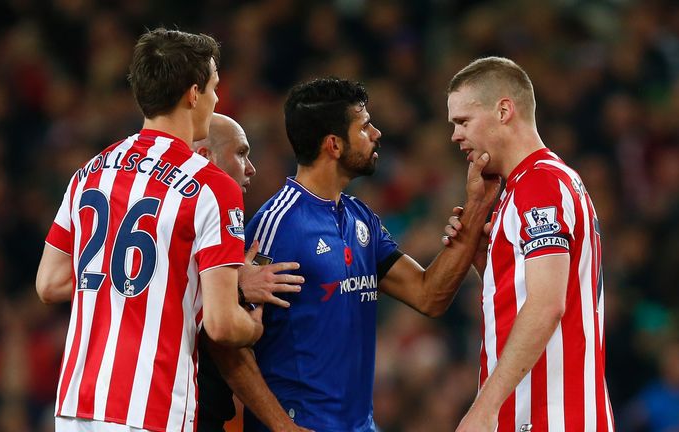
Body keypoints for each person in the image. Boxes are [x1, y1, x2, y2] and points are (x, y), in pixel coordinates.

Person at [238, 77, 499, 432]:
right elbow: (231, 346)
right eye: (364, 127)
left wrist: (477, 205)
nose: (376, 134)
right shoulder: (276, 225)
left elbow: (429, 295)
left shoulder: (361, 217)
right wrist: (282, 426)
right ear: (333, 144)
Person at [35, 28, 263, 432]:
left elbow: (50, 283)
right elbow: (224, 324)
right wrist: (254, 322)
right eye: (213, 88)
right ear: (193, 93)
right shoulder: (211, 185)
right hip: (152, 407)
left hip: (75, 404)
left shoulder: (90, 171)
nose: (216, 99)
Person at [445, 57, 614, 431]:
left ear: (504, 110)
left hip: (551, 418)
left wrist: (484, 407)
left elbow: (546, 304)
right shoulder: (527, 186)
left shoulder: (539, 187)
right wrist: (482, 261)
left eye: (463, 121)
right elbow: (534, 294)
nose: (455, 135)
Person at [191, 113, 308, 432]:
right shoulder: (196, 225)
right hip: (178, 413)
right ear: (205, 158)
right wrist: (235, 293)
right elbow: (224, 337)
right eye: (241, 153)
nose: (251, 167)